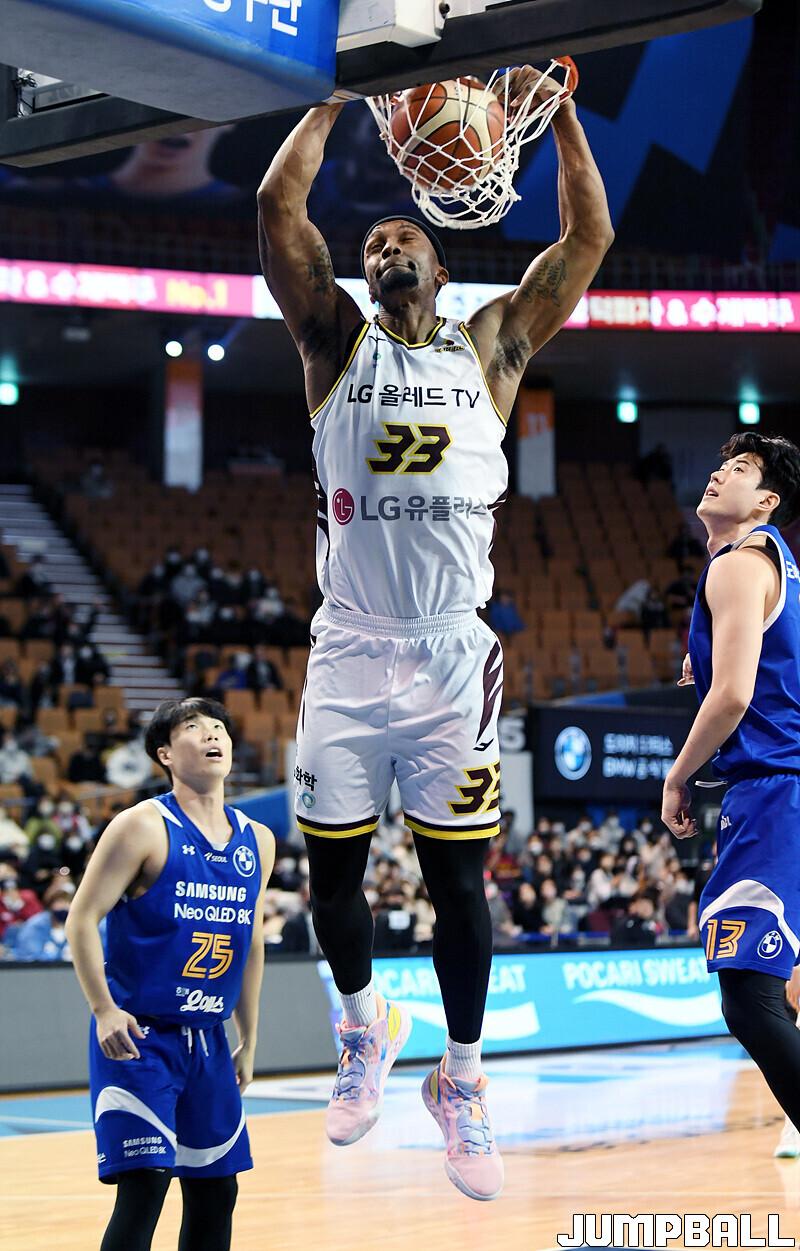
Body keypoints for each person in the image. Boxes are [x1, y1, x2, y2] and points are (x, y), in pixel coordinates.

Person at [257, 63, 611, 1203]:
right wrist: (334, 96)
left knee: (460, 886)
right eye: (371, 245)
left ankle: (460, 1079)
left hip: (452, 652)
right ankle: (365, 1025)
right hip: (351, 643)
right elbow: (277, 207)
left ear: (443, 268)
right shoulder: (332, 344)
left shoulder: (490, 346)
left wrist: (561, 118)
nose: (383, 248)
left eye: (402, 237)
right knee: (332, 876)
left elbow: (587, 239)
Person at [65, 697, 274, 1251]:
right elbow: (81, 918)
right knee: (145, 1189)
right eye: (194, 727)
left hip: (208, 1041)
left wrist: (249, 1038)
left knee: (217, 1192)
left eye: (219, 727)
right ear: (164, 753)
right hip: (140, 1038)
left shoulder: (258, 839)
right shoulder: (141, 826)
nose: (212, 735)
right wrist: (104, 1009)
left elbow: (250, 942)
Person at [660, 433, 800, 1162]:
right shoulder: (775, 567)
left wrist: (678, 773)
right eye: (720, 464)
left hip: (777, 794)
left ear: (766, 500)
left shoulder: (740, 565)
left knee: (750, 995)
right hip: (783, 789)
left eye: (740, 469)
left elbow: (736, 695)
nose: (719, 474)